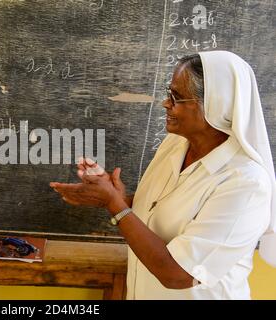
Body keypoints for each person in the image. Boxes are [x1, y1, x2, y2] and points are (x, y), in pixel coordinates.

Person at [50, 50, 276, 299]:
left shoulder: (245, 183)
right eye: (169, 94)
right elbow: (162, 210)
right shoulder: (175, 145)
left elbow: (177, 274)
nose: (166, 103)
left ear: (214, 103)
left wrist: (113, 204)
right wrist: (117, 197)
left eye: (177, 98)